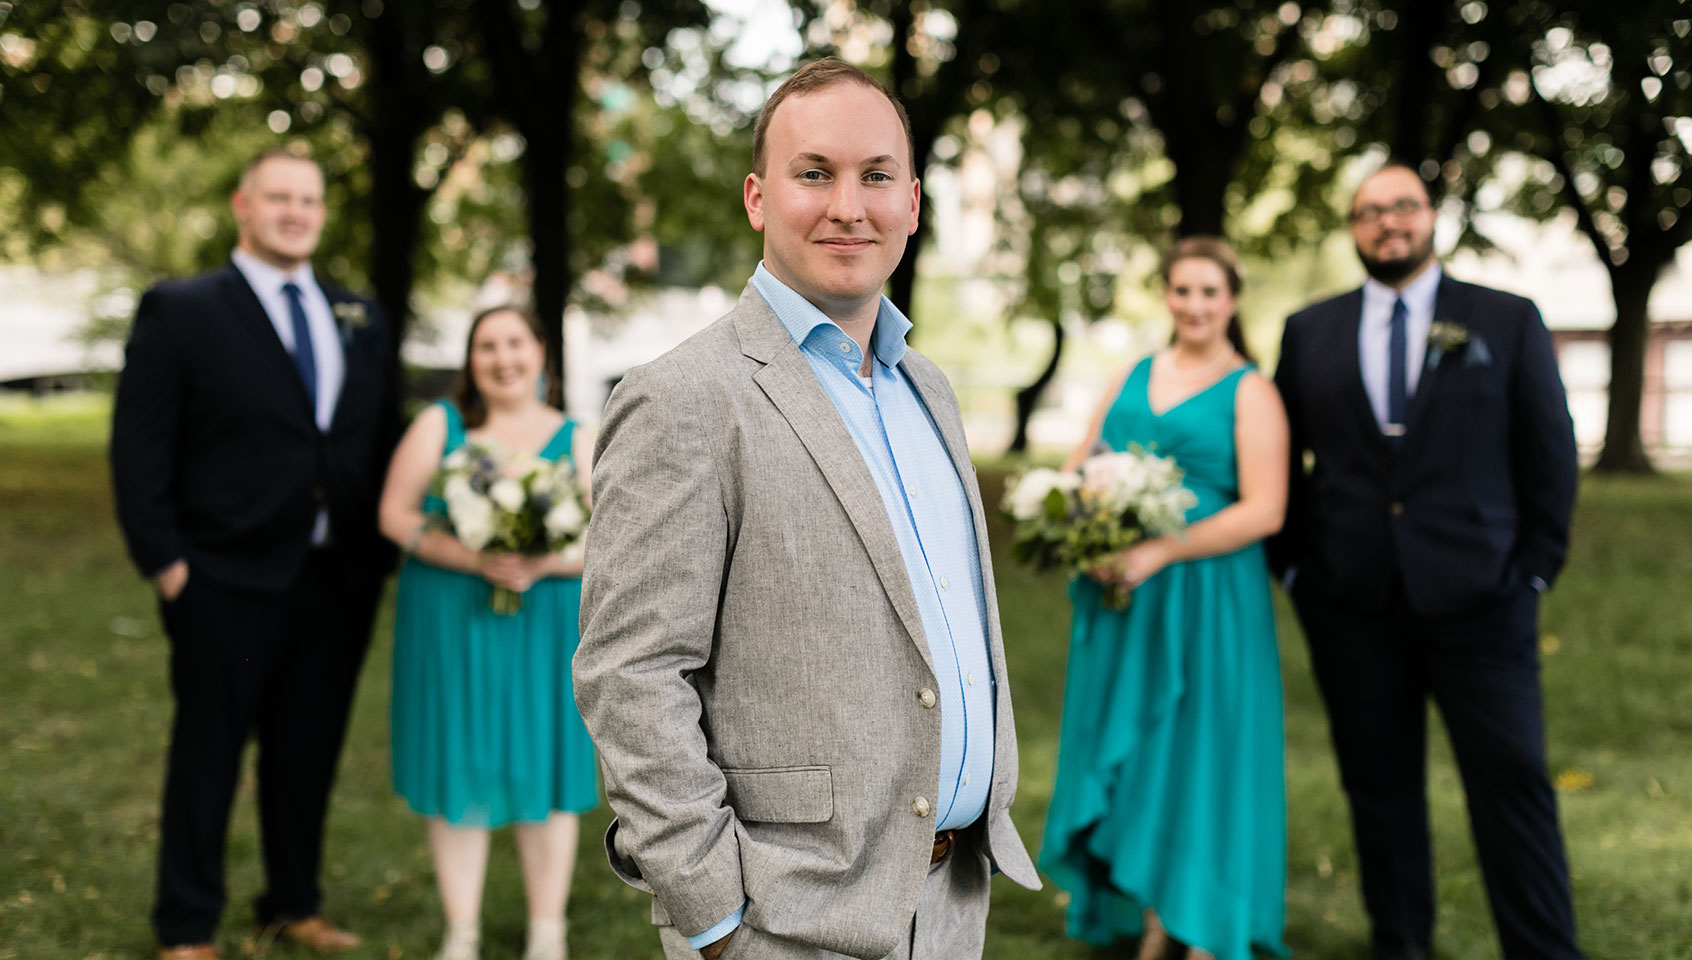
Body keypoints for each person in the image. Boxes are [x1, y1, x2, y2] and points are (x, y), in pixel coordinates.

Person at [572, 58, 1041, 960]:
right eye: (814, 173)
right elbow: (630, 675)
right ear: (757, 197)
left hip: (949, 905)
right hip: (783, 921)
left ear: (912, 201)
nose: (848, 207)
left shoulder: (928, 388)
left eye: (875, 178)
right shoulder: (684, 399)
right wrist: (716, 920)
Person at [1266, 163, 1583, 960]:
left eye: (1402, 206)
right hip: (1353, 606)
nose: (1388, 223)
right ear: (1353, 227)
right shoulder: (1311, 331)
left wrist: (1535, 570)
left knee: (1513, 783)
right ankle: (1400, 945)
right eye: (1370, 212)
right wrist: (1300, 571)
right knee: (1381, 794)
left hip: (1485, 602)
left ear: (1431, 215)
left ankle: (1545, 950)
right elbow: (1280, 460)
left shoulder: (1506, 320)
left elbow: (1550, 451)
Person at [110, 148, 399, 960]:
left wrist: (382, 555)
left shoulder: (359, 315)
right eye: (279, 197)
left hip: (335, 578)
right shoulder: (184, 308)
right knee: (208, 753)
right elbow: (139, 444)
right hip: (221, 575)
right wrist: (166, 562)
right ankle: (186, 926)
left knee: (306, 752)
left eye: (308, 199)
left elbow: (377, 439)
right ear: (244, 205)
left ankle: (293, 904)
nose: (295, 211)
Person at [1038, 237, 1290, 960]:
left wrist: (1163, 550)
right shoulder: (1132, 373)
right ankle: (1153, 918)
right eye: (1183, 290)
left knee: (1202, 748)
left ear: (1232, 300)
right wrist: (1076, 518)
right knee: (1143, 748)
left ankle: (1202, 923)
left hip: (1210, 597)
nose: (1196, 305)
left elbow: (1267, 509)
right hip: (1127, 600)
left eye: (1210, 292)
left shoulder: (1252, 390)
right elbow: (1083, 460)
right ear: (1166, 295)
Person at [377, 305, 597, 960]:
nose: (503, 359)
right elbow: (394, 513)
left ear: (541, 354)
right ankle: (461, 932)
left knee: (546, 765)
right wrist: (470, 557)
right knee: (458, 762)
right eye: (486, 347)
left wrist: (540, 562)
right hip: (451, 617)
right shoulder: (439, 426)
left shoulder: (579, 437)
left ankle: (546, 933)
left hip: (546, 624)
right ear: (471, 361)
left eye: (515, 344)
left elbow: (609, 539)